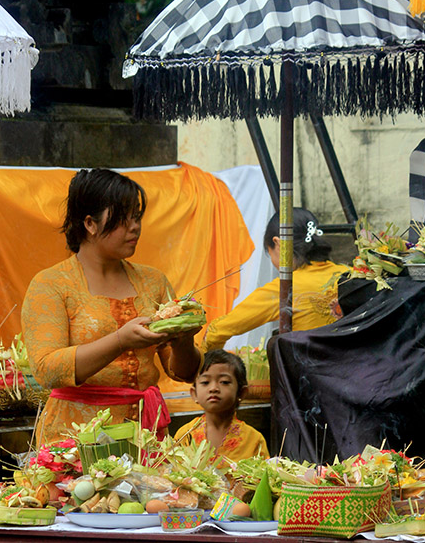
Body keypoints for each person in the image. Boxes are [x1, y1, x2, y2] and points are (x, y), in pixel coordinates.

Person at [21, 168, 202, 444]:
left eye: (137, 216)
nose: (135, 226)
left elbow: (184, 373)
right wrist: (119, 340)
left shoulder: (153, 281)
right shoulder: (52, 284)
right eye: (123, 217)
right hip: (75, 439)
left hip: (145, 435)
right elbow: (47, 369)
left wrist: (183, 341)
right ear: (90, 224)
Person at [202, 208, 349, 350]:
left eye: (270, 253)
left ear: (278, 245)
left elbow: (218, 331)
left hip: (310, 373)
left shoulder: (285, 287)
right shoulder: (351, 275)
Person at [173, 349, 269, 467]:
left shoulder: (253, 440)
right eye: (205, 382)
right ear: (194, 394)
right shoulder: (185, 434)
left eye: (224, 382)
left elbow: (262, 479)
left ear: (241, 393)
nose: (213, 388)